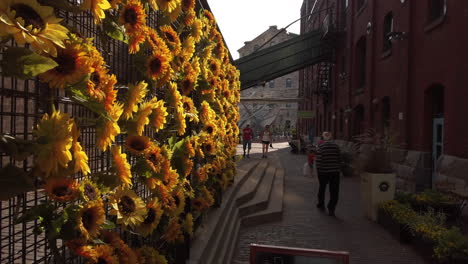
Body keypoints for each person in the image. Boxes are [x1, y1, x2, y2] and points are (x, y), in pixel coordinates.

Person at [315, 131, 341, 216]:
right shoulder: (336, 147)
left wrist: (319, 171)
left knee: (322, 188)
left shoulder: (321, 147)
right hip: (335, 172)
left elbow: (318, 161)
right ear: (331, 137)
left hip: (323, 172)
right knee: (334, 191)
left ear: (323, 138)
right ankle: (331, 208)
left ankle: (321, 204)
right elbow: (339, 159)